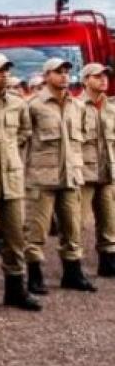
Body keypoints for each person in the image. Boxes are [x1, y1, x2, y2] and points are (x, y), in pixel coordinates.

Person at [24, 58, 95, 293]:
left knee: (72, 227)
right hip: (42, 177)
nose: (64, 76)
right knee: (36, 229)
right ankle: (34, 275)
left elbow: (82, 137)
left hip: (71, 175)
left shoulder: (77, 107)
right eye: (58, 72)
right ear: (46, 76)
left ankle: (72, 273)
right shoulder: (33, 105)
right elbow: (23, 138)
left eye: (66, 71)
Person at [0, 53, 41, 311]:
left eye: (6, 70)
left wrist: (11, 153)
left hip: (12, 177)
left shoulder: (17, 103)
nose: (4, 74)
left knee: (15, 236)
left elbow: (25, 132)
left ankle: (15, 290)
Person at [79, 63, 115, 276]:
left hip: (108, 171)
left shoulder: (112, 108)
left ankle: (108, 261)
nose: (103, 80)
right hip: (84, 172)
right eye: (97, 76)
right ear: (86, 80)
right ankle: (74, 265)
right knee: (78, 222)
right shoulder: (76, 107)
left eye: (105, 76)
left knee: (110, 220)